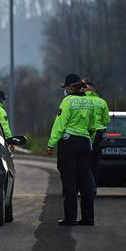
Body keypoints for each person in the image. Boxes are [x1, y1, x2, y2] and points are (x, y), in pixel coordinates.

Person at [46, 73, 97, 226]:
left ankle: (70, 218)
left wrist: (51, 144)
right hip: (84, 142)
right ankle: (88, 218)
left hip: (69, 144)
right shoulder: (90, 102)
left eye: (66, 87)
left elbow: (60, 124)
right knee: (85, 181)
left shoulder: (67, 101)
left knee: (69, 180)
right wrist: (90, 142)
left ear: (69, 87)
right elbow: (93, 126)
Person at [84, 80, 110, 188]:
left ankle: (84, 186)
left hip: (85, 133)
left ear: (85, 89)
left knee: (84, 161)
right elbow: (106, 120)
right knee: (95, 162)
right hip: (98, 134)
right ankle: (94, 186)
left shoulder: (82, 101)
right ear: (94, 90)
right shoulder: (102, 102)